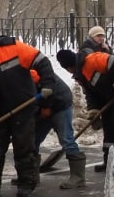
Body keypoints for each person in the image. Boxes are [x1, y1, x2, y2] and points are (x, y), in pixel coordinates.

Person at [0, 26, 57, 197]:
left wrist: (47, 86)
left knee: (23, 147)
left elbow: (42, 62)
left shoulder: (12, 48)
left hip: (23, 106)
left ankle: (26, 184)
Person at [73, 26, 114, 171]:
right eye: (98, 36)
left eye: (102, 35)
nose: (101, 38)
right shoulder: (87, 52)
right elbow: (90, 86)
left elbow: (113, 67)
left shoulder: (105, 49)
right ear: (91, 37)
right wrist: (93, 109)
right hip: (104, 94)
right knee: (109, 129)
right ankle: (108, 161)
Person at [31, 60, 87, 189]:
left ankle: (78, 178)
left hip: (60, 103)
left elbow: (48, 89)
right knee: (32, 140)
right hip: (42, 106)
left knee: (66, 139)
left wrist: (46, 107)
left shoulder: (31, 72)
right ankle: (30, 176)